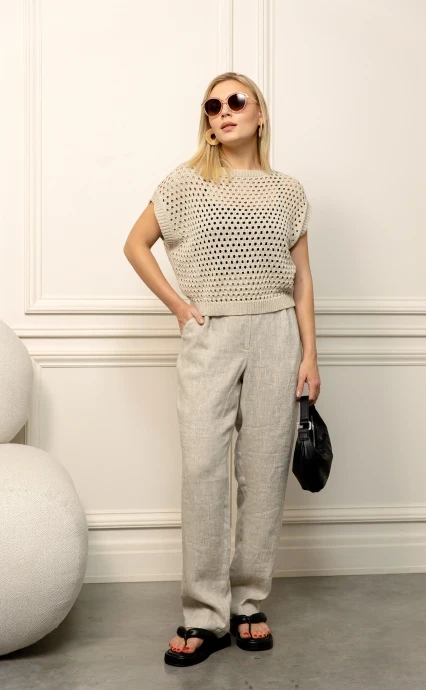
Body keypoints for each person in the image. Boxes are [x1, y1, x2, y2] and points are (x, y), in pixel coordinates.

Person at [123, 71, 321, 667]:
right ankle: (203, 614)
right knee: (203, 469)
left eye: (237, 101)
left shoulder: (288, 191)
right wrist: (179, 306)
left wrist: (311, 353)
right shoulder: (184, 184)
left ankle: (248, 602)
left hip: (276, 334)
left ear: (261, 113)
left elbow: (302, 279)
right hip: (210, 335)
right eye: (213, 105)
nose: (224, 111)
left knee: (263, 471)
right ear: (207, 122)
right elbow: (135, 244)